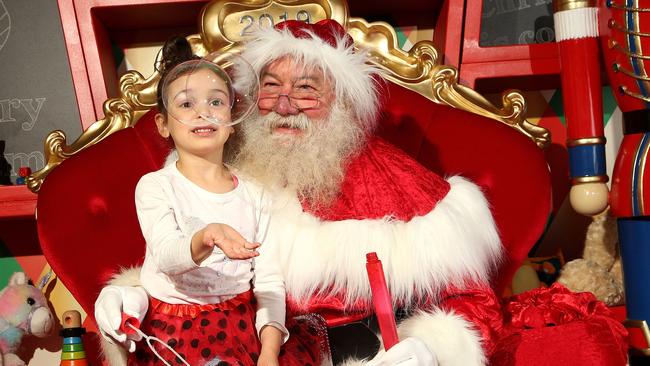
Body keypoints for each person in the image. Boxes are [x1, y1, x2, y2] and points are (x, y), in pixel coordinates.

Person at [95, 20, 626, 366]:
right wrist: (134, 292)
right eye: (270, 88)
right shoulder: (216, 171)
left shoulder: (401, 184)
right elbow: (182, 261)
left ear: (344, 103)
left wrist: (432, 350)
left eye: (305, 89)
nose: (283, 105)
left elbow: (470, 302)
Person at [98, 36, 326, 366]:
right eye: (187, 104)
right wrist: (208, 235)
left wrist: (269, 353)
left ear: (232, 122)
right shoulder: (156, 187)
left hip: (244, 326)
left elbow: (268, 279)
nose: (203, 112)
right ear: (163, 125)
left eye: (216, 102)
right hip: (176, 329)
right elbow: (167, 255)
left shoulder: (255, 192)